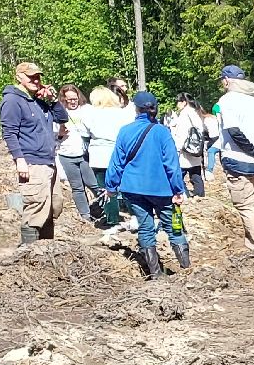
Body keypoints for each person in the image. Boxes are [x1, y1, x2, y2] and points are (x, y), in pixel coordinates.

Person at [106, 90, 190, 279]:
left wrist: (111, 186)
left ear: (135, 109)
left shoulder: (125, 131)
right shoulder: (162, 132)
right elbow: (172, 164)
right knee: (174, 227)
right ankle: (186, 269)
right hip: (161, 190)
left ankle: (155, 273)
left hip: (133, 189)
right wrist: (178, 189)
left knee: (145, 228)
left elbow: (116, 162)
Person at [0, 61, 69, 244]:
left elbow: (62, 118)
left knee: (53, 205)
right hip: (31, 162)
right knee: (36, 205)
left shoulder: (37, 101)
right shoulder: (12, 100)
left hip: (48, 161)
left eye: (38, 77)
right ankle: (29, 252)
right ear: (19, 77)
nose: (36, 80)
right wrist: (19, 160)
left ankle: (45, 248)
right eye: (31, 77)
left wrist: (52, 100)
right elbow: (9, 132)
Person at [216, 65, 254, 250]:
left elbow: (234, 131)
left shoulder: (228, 100)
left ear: (226, 81)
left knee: (246, 206)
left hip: (238, 160)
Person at [80, 86, 136, 231]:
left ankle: (112, 220)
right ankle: (136, 216)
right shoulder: (124, 114)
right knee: (126, 187)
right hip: (120, 154)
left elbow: (85, 136)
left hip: (100, 155)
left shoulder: (90, 114)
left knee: (106, 189)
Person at [55, 85, 101, 221]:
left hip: (85, 153)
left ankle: (104, 210)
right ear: (63, 100)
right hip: (66, 154)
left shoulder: (87, 110)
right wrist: (59, 134)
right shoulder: (58, 113)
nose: (73, 102)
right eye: (69, 100)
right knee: (77, 187)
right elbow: (52, 137)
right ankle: (85, 215)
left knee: (93, 183)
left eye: (75, 99)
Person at [169, 95, 209, 199]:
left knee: (179, 173)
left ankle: (184, 193)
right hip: (192, 148)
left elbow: (195, 128)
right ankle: (199, 194)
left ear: (184, 102)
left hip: (186, 147)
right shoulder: (192, 112)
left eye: (178, 102)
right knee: (195, 172)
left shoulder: (187, 113)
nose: (177, 105)